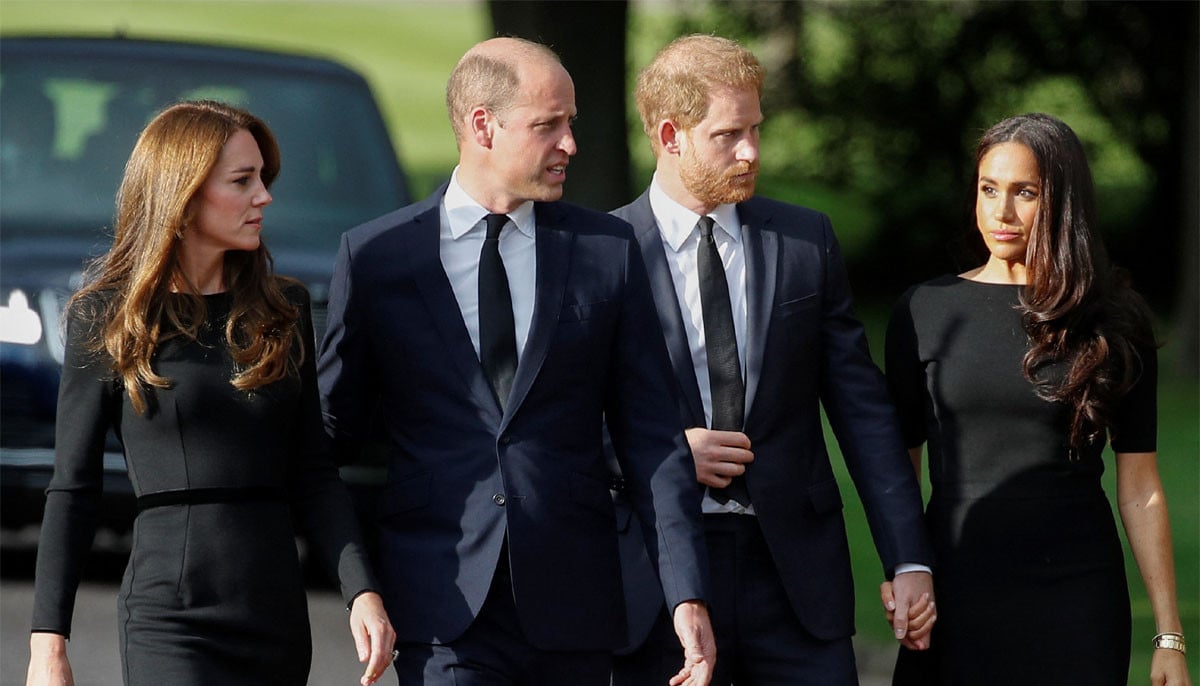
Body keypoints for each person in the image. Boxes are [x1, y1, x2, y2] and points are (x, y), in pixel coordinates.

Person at [316, 37, 714, 686]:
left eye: (571, 122)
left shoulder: (606, 250)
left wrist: (686, 594)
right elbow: (328, 441)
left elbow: (653, 437)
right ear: (484, 126)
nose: (570, 144)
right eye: (548, 124)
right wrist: (358, 582)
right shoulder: (379, 259)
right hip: (441, 605)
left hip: (574, 605)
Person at [25, 100, 395, 686]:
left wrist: (362, 592)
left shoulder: (283, 310)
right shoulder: (109, 318)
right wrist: (48, 646)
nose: (263, 197)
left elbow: (314, 475)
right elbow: (73, 487)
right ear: (185, 194)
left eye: (263, 180)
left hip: (274, 613)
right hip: (169, 618)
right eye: (242, 181)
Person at [610, 34, 936, 686]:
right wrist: (667, 454)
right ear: (671, 136)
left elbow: (862, 410)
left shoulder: (804, 241)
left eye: (755, 128)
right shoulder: (602, 254)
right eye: (728, 135)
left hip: (795, 579)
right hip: (656, 577)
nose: (751, 151)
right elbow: (563, 417)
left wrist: (908, 559)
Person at [883, 113, 1192, 685]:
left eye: (1025, 192)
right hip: (954, 590)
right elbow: (899, 469)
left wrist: (1169, 635)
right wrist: (903, 567)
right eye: (988, 189)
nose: (1001, 212)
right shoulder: (924, 311)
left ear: (1063, 202)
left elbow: (1141, 487)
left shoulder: (1113, 319)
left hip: (1076, 598)